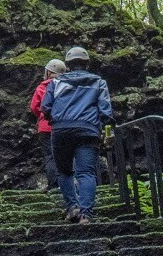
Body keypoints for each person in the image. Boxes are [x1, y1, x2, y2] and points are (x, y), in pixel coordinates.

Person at [41, 45, 114, 223]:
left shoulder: (56, 83)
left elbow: (45, 107)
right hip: (88, 130)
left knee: (64, 171)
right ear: (87, 64)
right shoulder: (98, 82)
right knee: (86, 173)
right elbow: (106, 112)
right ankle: (86, 215)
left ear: (67, 65)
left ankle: (72, 207)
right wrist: (108, 132)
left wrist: (56, 119)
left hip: (61, 130)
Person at [28, 58, 67, 191]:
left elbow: (34, 106)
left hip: (46, 127)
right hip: (64, 126)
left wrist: (42, 116)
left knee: (50, 156)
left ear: (49, 72)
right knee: (65, 155)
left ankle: (54, 185)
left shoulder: (42, 87)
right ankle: (67, 184)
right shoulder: (67, 86)